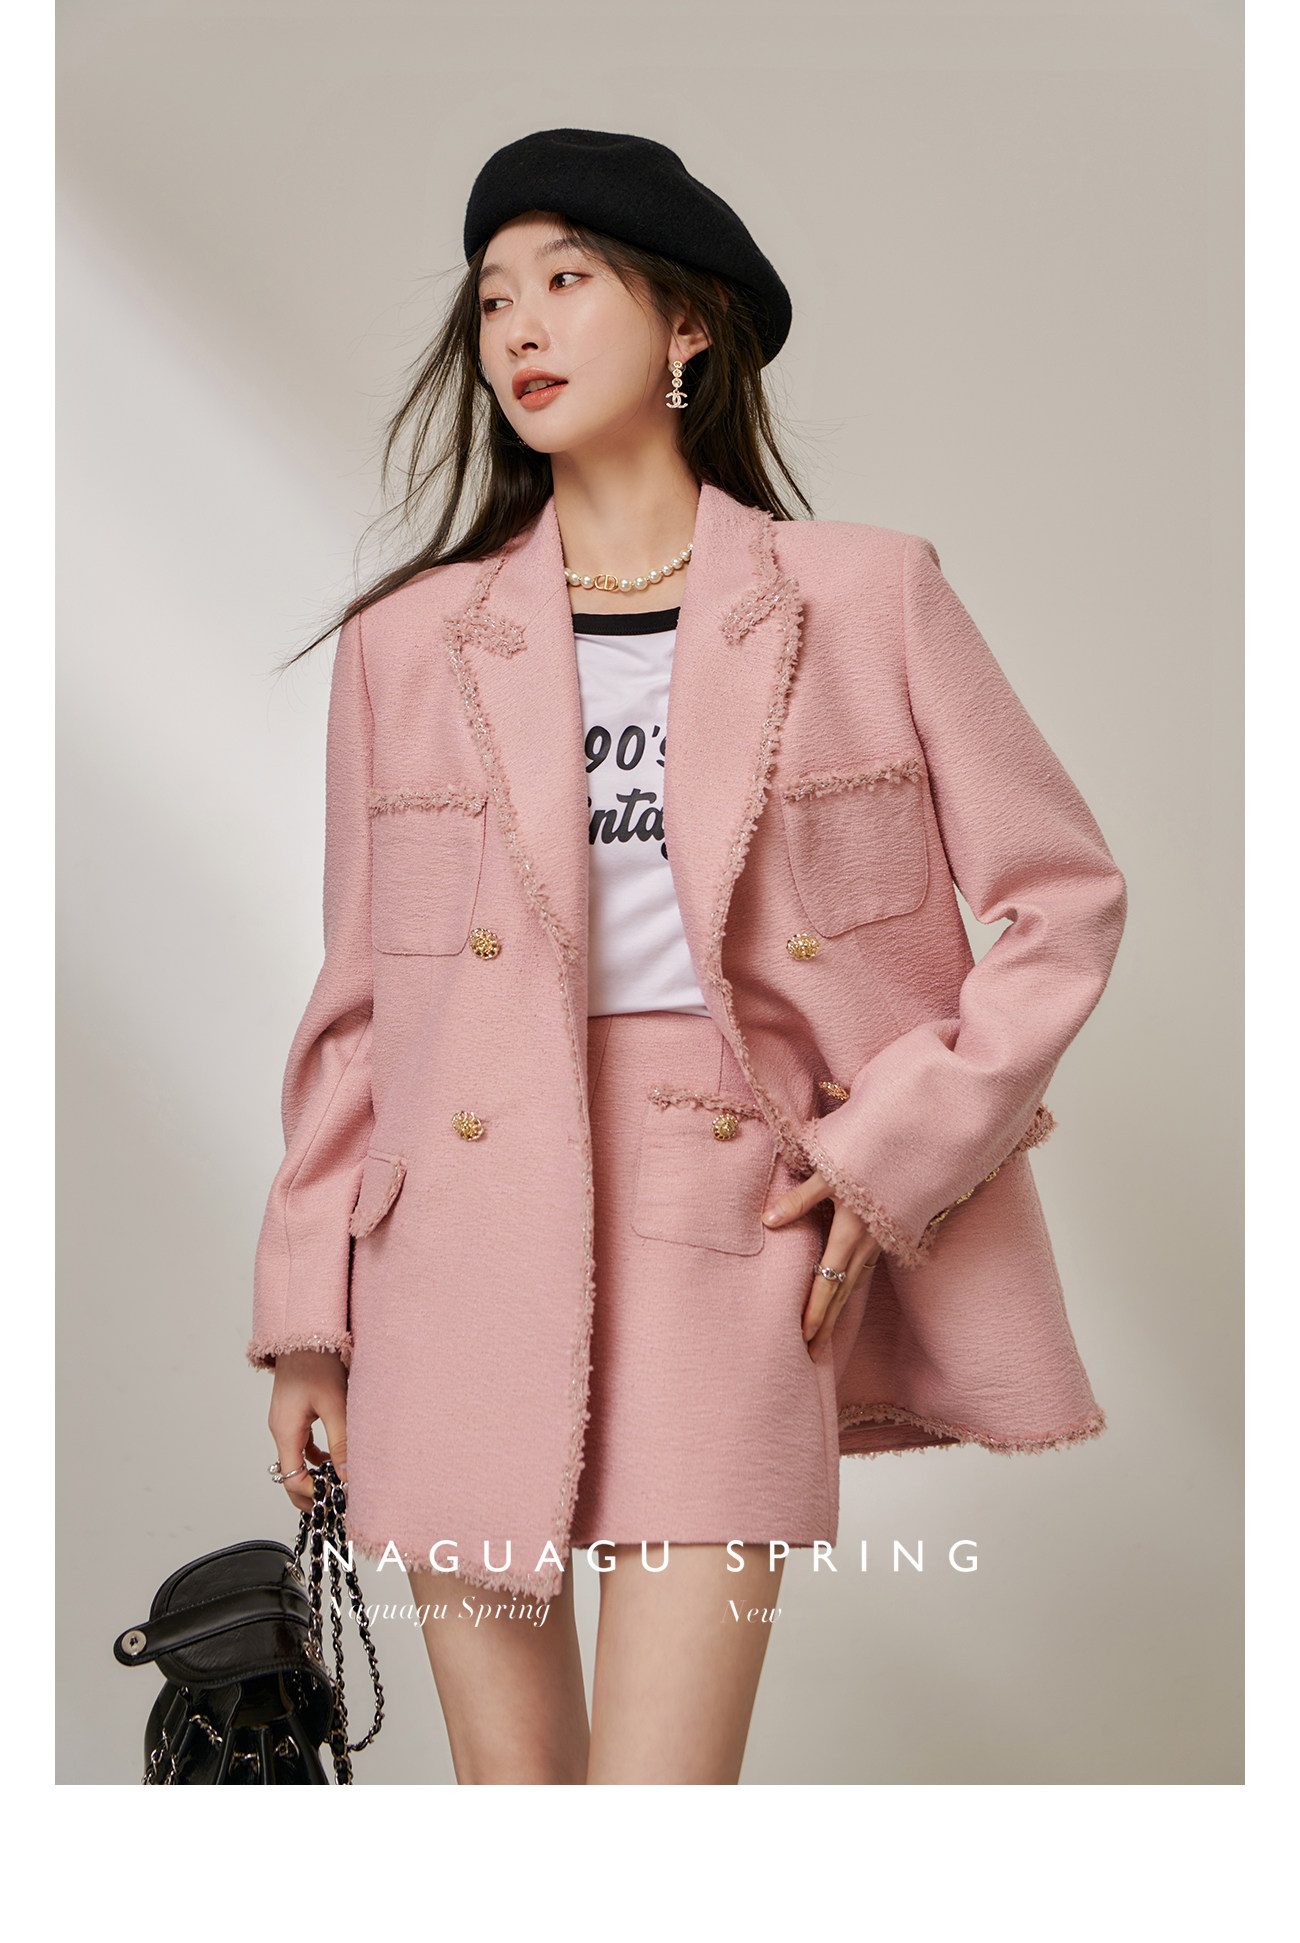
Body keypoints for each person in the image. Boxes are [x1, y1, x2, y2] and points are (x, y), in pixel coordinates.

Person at [249, 128, 1127, 1784]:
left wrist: (889, 1152)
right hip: (454, 1244)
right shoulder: (409, 643)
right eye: (493, 297)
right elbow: (358, 1009)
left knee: (656, 1819)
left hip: (726, 1218)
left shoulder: (863, 597)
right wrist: (306, 1311)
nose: (520, 324)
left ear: (687, 325)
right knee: (515, 1811)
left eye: (568, 279)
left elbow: (1062, 901)